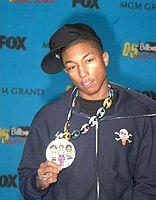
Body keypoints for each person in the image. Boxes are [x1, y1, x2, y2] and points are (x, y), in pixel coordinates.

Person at [18, 23, 156, 200]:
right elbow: (26, 183)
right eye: (72, 66)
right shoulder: (48, 117)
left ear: (104, 58)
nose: (83, 73)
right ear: (66, 71)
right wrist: (39, 180)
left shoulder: (141, 112)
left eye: (89, 60)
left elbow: (150, 184)